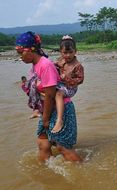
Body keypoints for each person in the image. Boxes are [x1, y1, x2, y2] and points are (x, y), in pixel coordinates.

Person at [15, 31, 81, 162]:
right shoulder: (36, 65)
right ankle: (46, 175)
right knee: (43, 143)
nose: (20, 56)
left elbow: (50, 95)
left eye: (21, 52)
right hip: (47, 109)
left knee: (62, 147)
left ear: (31, 50)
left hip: (58, 108)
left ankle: (82, 173)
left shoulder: (45, 65)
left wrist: (45, 119)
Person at [52, 35, 84, 133]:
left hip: (70, 88)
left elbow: (80, 80)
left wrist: (66, 78)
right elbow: (55, 65)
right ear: (61, 52)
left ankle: (59, 120)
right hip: (61, 84)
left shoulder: (77, 65)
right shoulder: (62, 60)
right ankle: (37, 110)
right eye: (65, 53)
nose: (68, 55)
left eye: (70, 52)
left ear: (75, 51)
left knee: (58, 94)